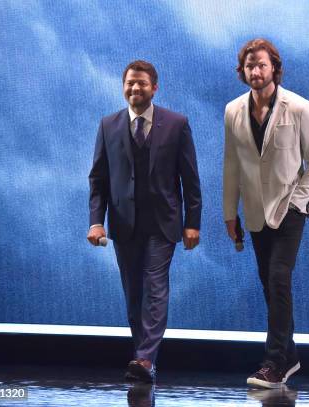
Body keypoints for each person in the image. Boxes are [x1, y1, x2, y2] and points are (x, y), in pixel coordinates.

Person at [88, 60, 202, 383]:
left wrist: (193, 222)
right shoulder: (108, 125)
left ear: (155, 87)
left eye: (141, 83)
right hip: (124, 224)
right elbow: (98, 180)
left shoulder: (177, 124)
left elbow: (190, 179)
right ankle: (144, 356)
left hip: (163, 224)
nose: (135, 88)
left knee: (155, 287)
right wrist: (96, 222)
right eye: (129, 83)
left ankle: (144, 357)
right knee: (133, 293)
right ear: (123, 87)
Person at [223, 38, 309, 388]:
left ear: (274, 68)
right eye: (250, 65)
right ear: (243, 70)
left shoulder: (299, 107)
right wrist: (229, 213)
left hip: (290, 209)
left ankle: (274, 362)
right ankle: (291, 355)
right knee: (269, 284)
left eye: (261, 64)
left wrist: (297, 200)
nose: (255, 70)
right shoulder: (233, 109)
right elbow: (231, 165)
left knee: (279, 277)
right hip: (253, 211)